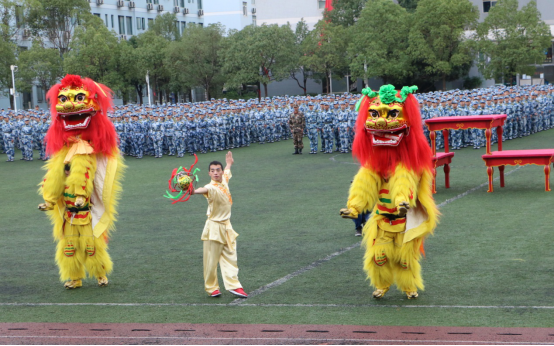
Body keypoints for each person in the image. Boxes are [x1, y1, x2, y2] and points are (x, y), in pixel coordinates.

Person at [191, 152, 248, 298]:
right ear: (209, 173)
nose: (216, 173)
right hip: (214, 227)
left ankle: (234, 285)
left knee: (231, 256)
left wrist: (229, 163)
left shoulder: (224, 180)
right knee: (211, 260)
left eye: (218, 170)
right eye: (212, 170)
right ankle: (212, 288)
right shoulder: (211, 187)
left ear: (221, 171)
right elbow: (200, 190)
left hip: (227, 226)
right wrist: (191, 190)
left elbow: (228, 172)